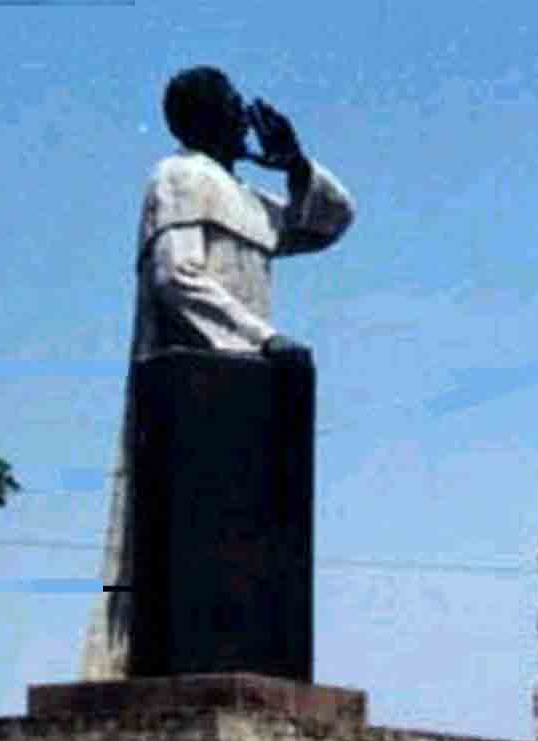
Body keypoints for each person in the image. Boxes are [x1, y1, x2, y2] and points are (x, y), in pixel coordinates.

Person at [79, 67, 354, 679]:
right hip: (194, 380)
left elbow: (328, 224)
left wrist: (294, 163)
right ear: (202, 118)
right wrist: (262, 337)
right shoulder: (179, 177)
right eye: (234, 106)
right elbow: (177, 278)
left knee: (250, 543)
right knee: (189, 544)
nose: (245, 117)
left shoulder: (242, 196)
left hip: (248, 380)